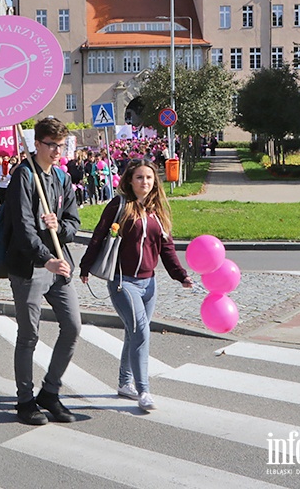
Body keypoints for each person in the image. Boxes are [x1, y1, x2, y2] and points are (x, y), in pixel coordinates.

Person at [79, 158, 193, 412]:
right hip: (123, 282)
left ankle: (124, 383)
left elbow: (167, 248)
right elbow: (98, 235)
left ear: (155, 182)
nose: (145, 182)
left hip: (149, 283)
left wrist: (180, 275)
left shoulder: (158, 211)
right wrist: (85, 266)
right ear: (130, 180)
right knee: (141, 331)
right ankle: (144, 390)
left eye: (149, 178)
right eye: (140, 177)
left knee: (134, 333)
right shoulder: (119, 205)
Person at [4, 117, 81, 426]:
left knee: (73, 326)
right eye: (51, 145)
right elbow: (22, 228)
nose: (56, 151)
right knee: (29, 335)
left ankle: (50, 391)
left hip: (58, 265)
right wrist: (45, 258)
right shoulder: (24, 176)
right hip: (30, 267)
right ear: (37, 144)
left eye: (60, 145)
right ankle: (25, 400)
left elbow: (74, 223)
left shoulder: (62, 178)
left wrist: (59, 227)